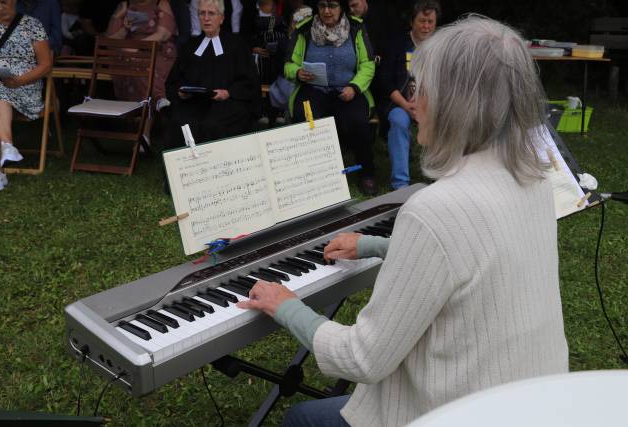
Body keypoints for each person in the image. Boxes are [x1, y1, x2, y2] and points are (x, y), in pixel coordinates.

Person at [238, 15, 569, 427]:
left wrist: (286, 306)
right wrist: (371, 245)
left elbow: (361, 359)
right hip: (533, 400)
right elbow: (470, 261)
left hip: (456, 412)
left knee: (302, 419)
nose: (413, 101)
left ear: (454, 103)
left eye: (420, 88)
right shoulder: (535, 180)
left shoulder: (436, 209)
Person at [284, 0, 377, 195]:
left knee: (358, 121)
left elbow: (368, 65)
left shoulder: (355, 28)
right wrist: (297, 72)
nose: (327, 11)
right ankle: (313, 176)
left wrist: (354, 87)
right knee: (306, 119)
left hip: (349, 89)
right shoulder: (305, 29)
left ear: (341, 6)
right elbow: (288, 64)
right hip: (314, 89)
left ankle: (366, 173)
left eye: (332, 5)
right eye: (322, 5)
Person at [164, 0, 260, 150]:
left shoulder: (237, 45)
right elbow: (175, 80)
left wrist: (228, 93)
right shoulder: (190, 46)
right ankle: (183, 170)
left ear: (221, 18)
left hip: (228, 103)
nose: (206, 18)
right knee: (182, 121)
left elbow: (249, 81)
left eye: (211, 13)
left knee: (212, 124)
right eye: (202, 13)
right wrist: (181, 92)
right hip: (194, 102)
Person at [0, 0, 52, 191]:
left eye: (4, 2)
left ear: (14, 1)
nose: (0, 7)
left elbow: (46, 64)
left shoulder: (33, 24)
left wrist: (20, 81)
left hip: (26, 85)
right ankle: (6, 147)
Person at [380, 0, 439, 189]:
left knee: (444, 120)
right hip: (401, 104)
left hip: (432, 104)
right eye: (422, 21)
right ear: (412, 21)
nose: (426, 26)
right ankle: (400, 184)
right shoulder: (398, 44)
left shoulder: (441, 47)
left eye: (430, 22)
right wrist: (406, 105)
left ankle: (437, 177)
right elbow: (385, 80)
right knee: (398, 121)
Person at [106, 0, 178, 114]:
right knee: (126, 60)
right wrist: (124, 26)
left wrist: (139, 46)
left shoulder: (161, 3)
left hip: (156, 48)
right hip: (130, 50)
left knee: (140, 61)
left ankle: (157, 99)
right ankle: (133, 111)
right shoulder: (126, 4)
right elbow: (111, 39)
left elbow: (163, 34)